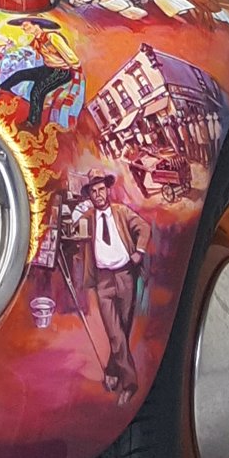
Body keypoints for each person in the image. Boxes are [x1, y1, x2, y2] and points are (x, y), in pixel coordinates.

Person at [69, 170, 149, 398]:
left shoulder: (121, 212)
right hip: (103, 280)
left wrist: (139, 251)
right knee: (115, 333)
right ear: (89, 195)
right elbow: (73, 231)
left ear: (107, 190)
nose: (98, 194)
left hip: (125, 275)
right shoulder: (87, 218)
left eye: (101, 189)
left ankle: (113, 370)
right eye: (94, 191)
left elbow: (144, 227)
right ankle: (130, 384)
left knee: (123, 329)